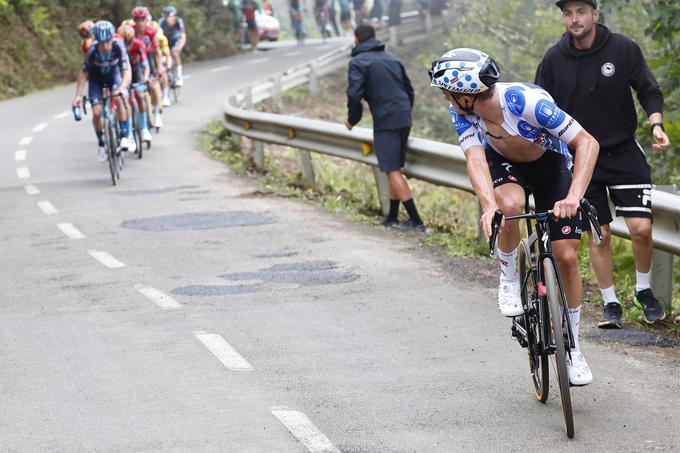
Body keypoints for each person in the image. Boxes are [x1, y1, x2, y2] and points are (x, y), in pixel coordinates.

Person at [429, 48, 600, 385]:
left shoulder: (526, 102)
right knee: (509, 207)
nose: (446, 99)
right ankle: (508, 277)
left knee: (566, 257)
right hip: (504, 165)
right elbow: (476, 160)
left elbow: (587, 143)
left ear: (467, 96)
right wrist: (487, 205)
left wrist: (573, 197)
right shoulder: (461, 113)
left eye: (449, 93)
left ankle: (573, 348)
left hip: (550, 167)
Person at [536, 0, 671, 328]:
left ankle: (643, 290)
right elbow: (538, 104)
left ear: (595, 14)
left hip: (623, 151)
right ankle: (610, 303)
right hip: (581, 157)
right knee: (600, 235)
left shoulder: (623, 48)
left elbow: (648, 89)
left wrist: (656, 125)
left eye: (581, 12)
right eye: (568, 13)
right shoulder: (554, 59)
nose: (574, 19)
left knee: (641, 228)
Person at [345, 25, 423, 231]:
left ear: (356, 39)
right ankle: (392, 217)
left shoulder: (358, 62)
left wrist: (352, 119)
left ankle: (416, 221)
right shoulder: (392, 58)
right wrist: (404, 112)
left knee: (391, 169)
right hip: (403, 117)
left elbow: (354, 94)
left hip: (385, 121)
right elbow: (409, 90)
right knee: (393, 168)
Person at [72, 21, 135, 161]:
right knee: (96, 112)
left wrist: (122, 88)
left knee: (119, 98)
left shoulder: (118, 46)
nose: (106, 46)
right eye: (102, 43)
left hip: (114, 75)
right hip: (96, 79)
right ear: (97, 41)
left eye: (108, 42)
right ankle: (101, 143)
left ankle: (125, 136)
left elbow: (126, 71)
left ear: (112, 38)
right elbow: (83, 73)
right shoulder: (92, 50)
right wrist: (78, 95)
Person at [118, 24, 152, 145]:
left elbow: (145, 64)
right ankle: (125, 131)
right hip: (121, 72)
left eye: (128, 44)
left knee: (139, 94)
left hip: (136, 70)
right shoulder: (116, 46)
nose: (126, 47)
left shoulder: (138, 44)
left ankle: (144, 128)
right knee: (122, 99)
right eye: (123, 44)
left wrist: (146, 78)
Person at [132, 6, 165, 129]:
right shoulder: (130, 31)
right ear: (134, 20)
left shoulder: (151, 32)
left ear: (147, 20)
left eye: (143, 19)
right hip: (135, 61)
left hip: (148, 58)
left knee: (153, 86)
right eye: (137, 19)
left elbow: (157, 52)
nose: (140, 23)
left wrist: (160, 67)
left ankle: (157, 115)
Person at [159, 6, 187, 86]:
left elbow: (183, 36)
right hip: (166, 41)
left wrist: (180, 47)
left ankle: (179, 77)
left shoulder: (178, 21)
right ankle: (167, 72)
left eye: (169, 16)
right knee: (163, 56)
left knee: (174, 53)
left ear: (173, 16)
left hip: (176, 40)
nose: (168, 19)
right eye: (166, 16)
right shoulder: (161, 22)